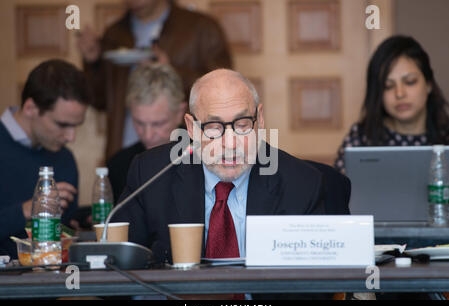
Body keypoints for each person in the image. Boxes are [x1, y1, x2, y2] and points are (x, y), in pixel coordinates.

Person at [112, 69, 350, 266]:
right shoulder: (151, 174)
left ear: (261, 119)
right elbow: (118, 270)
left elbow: (313, 287)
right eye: (214, 127)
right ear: (192, 128)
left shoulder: (302, 184)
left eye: (242, 124)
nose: (230, 143)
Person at [77, 0, 233, 160]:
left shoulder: (202, 28)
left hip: (185, 155)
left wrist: (171, 72)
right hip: (126, 154)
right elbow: (100, 101)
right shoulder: (114, 34)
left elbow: (224, 93)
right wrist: (93, 62)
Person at [0, 59, 90, 259]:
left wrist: (81, 221)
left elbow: (59, 239)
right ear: (31, 108)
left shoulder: (64, 159)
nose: (71, 137)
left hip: (49, 285)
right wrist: (24, 211)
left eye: (76, 126)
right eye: (62, 124)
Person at [334, 35, 449, 174]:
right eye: (388, 86)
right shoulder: (361, 138)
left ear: (429, 84)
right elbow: (340, 191)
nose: (399, 93)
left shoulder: (445, 134)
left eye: (410, 82)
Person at [107, 63, 186, 203]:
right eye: (139, 123)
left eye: (158, 124)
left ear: (180, 113)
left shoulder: (203, 159)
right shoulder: (119, 165)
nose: (148, 135)